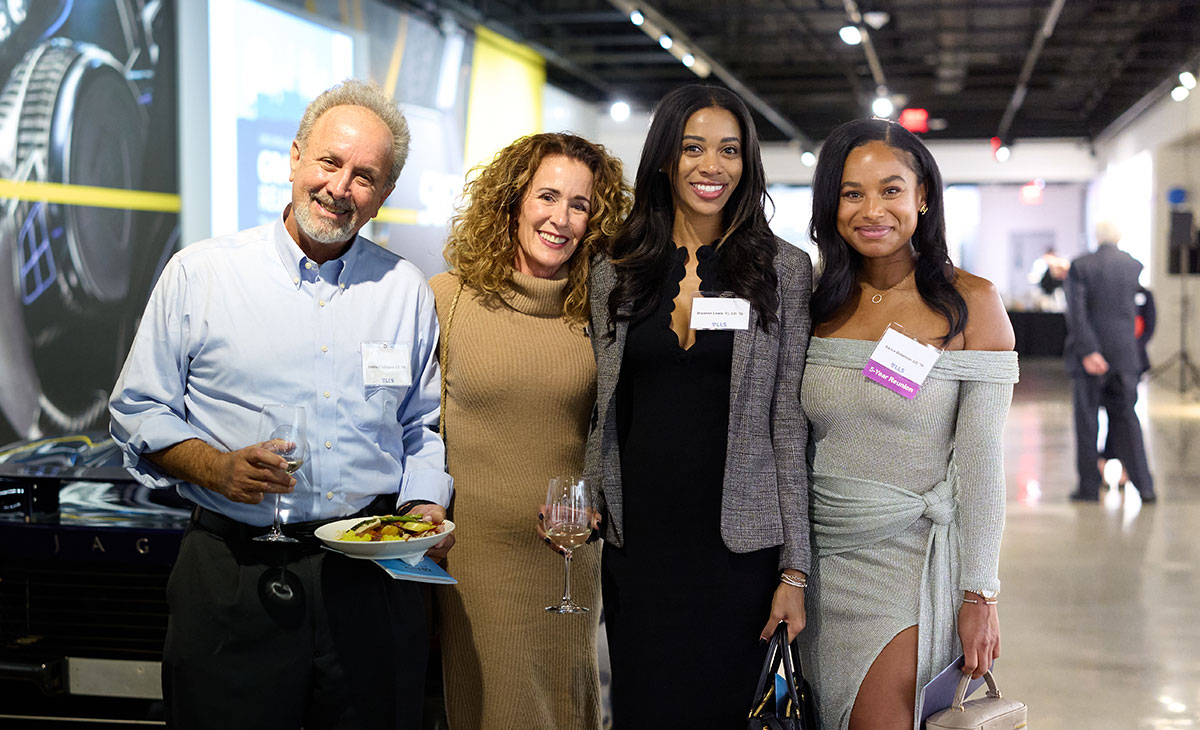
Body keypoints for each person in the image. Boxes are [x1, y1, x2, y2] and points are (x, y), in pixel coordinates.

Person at [109, 79, 453, 729]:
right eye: (329, 162)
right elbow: (138, 410)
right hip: (233, 575)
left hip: (370, 577)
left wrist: (422, 507)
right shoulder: (202, 274)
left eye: (364, 176)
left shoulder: (404, 291)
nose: (340, 187)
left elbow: (420, 426)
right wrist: (217, 468)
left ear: (383, 194)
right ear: (294, 158)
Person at [586, 84, 812, 728]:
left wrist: (795, 570)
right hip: (639, 550)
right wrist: (588, 498)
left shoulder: (784, 269)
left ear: (747, 163)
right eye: (693, 148)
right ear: (665, 158)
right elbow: (605, 408)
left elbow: (788, 424)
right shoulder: (615, 267)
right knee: (643, 710)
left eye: (729, 151)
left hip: (739, 553)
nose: (712, 166)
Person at [801, 118, 1017, 729]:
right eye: (852, 193)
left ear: (922, 197)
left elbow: (981, 465)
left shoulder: (972, 303)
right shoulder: (811, 302)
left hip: (908, 567)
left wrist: (980, 594)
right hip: (813, 566)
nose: (872, 210)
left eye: (891, 190)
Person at [430, 132, 628, 730]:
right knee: (480, 707)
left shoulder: (602, 313)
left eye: (579, 205)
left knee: (561, 710)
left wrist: (597, 504)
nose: (560, 219)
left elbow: (617, 431)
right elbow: (416, 428)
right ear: (513, 201)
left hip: (562, 555)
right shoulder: (447, 300)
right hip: (467, 558)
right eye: (547, 197)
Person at [1064, 222, 1156, 503]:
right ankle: (1146, 487)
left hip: (1090, 359)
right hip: (1125, 356)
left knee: (1087, 423)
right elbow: (1141, 310)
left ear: (1096, 237)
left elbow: (1076, 313)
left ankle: (1089, 488)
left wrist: (1089, 350)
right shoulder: (1134, 266)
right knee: (1128, 420)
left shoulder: (1081, 266)